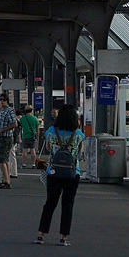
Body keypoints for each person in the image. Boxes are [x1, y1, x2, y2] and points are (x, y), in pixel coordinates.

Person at [35, 103, 87, 246]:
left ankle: (41, 235)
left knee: (50, 203)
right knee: (67, 204)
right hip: (72, 172)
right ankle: (63, 237)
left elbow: (47, 148)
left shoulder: (51, 131)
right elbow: (79, 151)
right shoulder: (77, 134)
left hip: (53, 171)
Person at [0, 94, 18, 188]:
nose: (1, 101)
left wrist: (1, 130)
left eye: (3, 100)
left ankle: (6, 181)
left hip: (5, 137)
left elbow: (14, 124)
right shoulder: (2, 111)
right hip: (1, 137)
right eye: (0, 100)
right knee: (5, 159)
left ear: (7, 101)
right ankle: (6, 180)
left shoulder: (9, 111)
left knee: (1, 159)